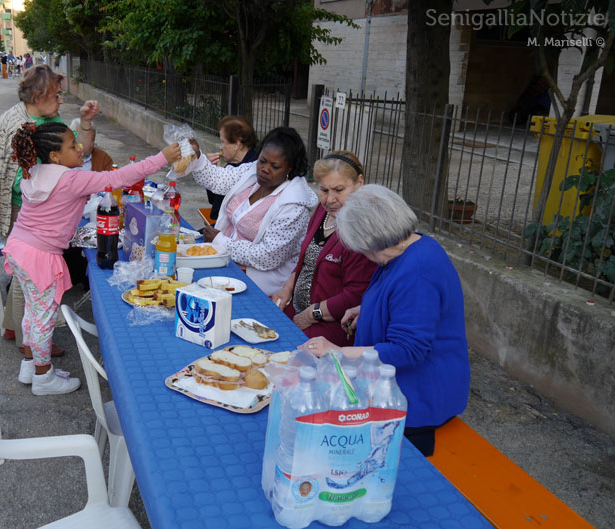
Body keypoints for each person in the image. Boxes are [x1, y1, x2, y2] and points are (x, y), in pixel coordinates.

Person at [5, 121, 181, 394]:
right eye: (72, 145)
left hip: (20, 247)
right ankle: (43, 377)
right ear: (55, 156)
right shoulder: (71, 179)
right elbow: (118, 178)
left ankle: (31, 365)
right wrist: (161, 158)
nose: (80, 148)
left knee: (33, 310)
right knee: (43, 317)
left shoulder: (35, 171)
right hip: (40, 256)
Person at [300, 184, 470, 457]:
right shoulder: (411, 245)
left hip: (417, 401)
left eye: (363, 250)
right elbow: (396, 299)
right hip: (397, 389)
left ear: (373, 240)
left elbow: (408, 349)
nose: (365, 256)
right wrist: (367, 308)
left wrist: (339, 352)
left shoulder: (417, 273)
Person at [0, 64, 100, 354]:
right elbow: (17, 179)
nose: (61, 100)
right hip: (21, 210)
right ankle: (30, 346)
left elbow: (79, 150)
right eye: (57, 95)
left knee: (23, 279)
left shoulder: (46, 117)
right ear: (38, 95)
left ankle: (12, 327)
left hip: (32, 212)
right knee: (27, 281)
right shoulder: (15, 124)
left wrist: (84, 122)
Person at [190, 126, 317, 295]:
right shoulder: (252, 172)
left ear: (290, 168)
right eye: (262, 161)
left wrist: (221, 242)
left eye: (275, 166)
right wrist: (197, 156)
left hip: (258, 281)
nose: (265, 169)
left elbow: (268, 257)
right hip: (225, 260)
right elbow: (218, 179)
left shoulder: (294, 206)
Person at [270, 152, 377, 346]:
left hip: (333, 325)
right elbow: (307, 258)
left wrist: (311, 314)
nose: (329, 199)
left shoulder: (362, 230)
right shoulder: (323, 210)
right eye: (324, 190)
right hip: (298, 310)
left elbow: (355, 294)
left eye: (339, 190)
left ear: (359, 184)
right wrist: (287, 288)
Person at [203, 116, 258, 221]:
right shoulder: (233, 164)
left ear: (237, 144)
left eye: (223, 142)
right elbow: (214, 200)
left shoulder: (250, 170)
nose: (221, 147)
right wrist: (210, 171)